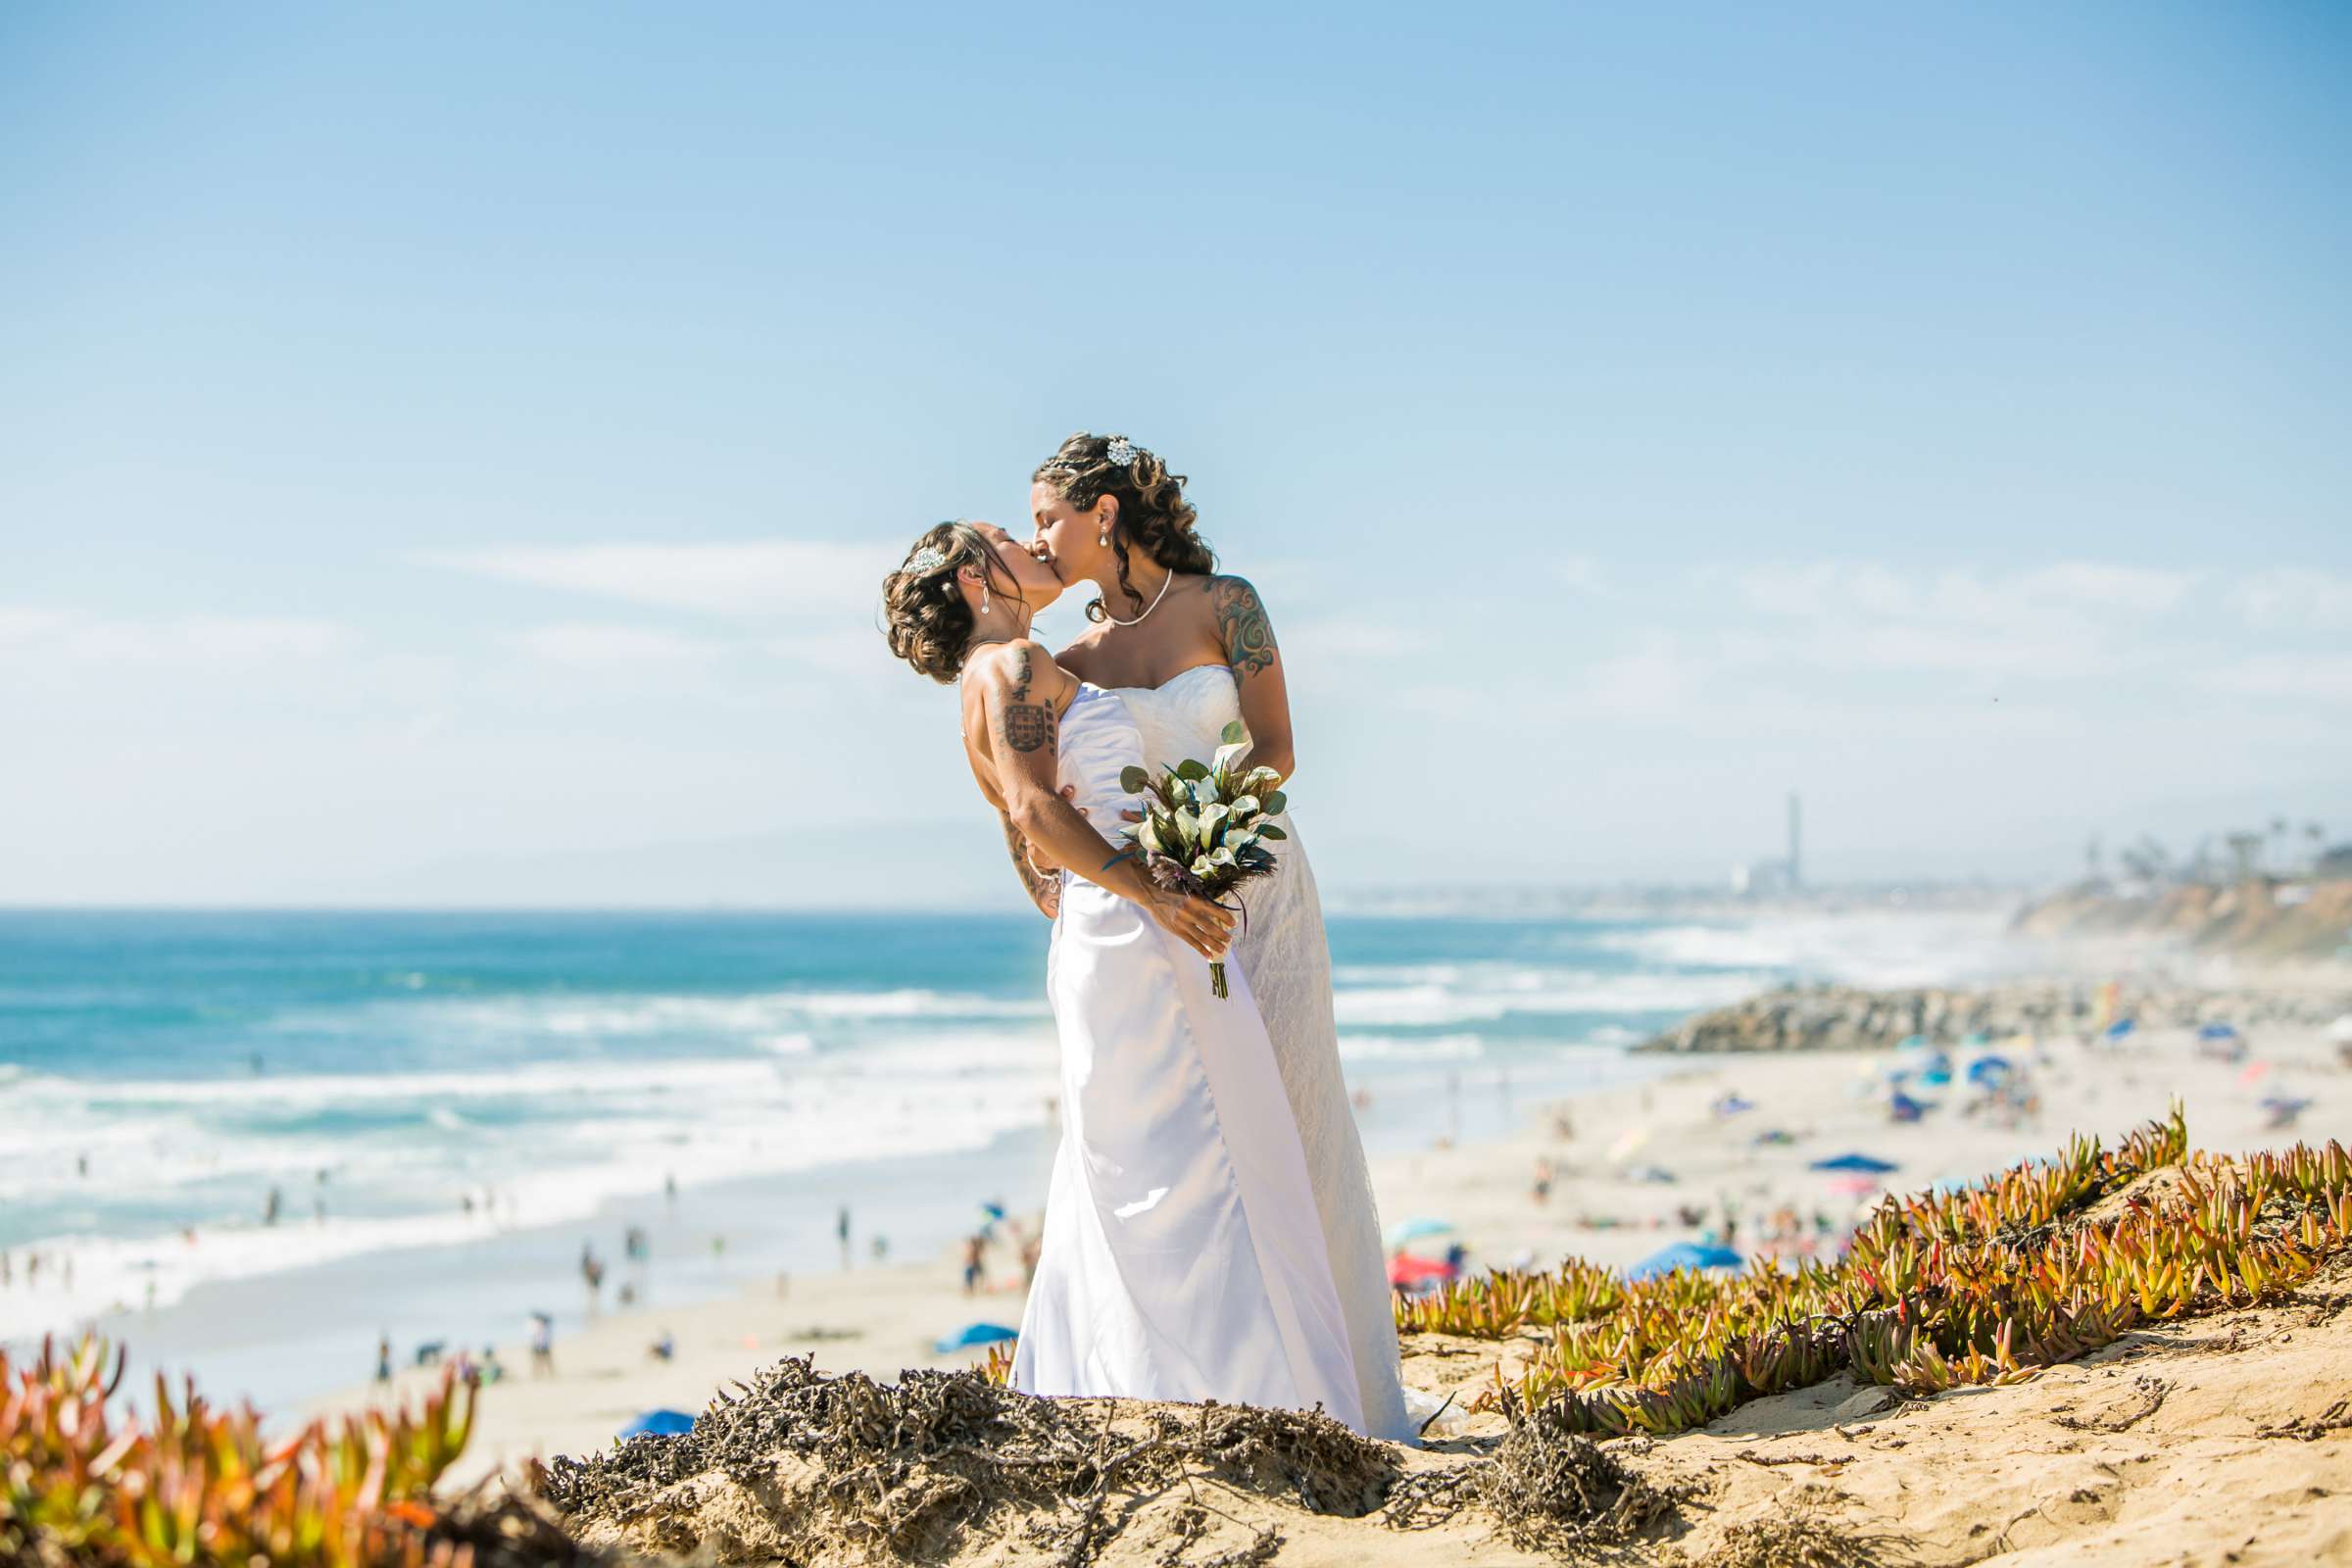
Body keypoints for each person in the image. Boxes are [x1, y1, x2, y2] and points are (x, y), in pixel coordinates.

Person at [881, 514, 1375, 1437]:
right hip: (1136, 929)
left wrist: (1081, 889)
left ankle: (1165, 1382)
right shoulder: (1019, 665)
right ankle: (1258, 1395)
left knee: (1149, 1164)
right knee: (1206, 1155)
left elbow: (1021, 826)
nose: (1028, 546)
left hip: (1105, 928)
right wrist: (1152, 892)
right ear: (970, 582)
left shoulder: (987, 681)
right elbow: (1032, 805)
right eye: (1004, 538)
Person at [1021, 434, 1412, 1442]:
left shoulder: (1224, 602)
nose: (1040, 542)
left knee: (1297, 1108)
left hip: (1257, 885)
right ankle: (1214, 1369)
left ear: (1103, 514)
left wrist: (1213, 837)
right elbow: (1048, 810)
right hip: (1158, 915)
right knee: (1194, 1135)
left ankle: (1351, 1393)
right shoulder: (1067, 663)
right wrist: (1106, 877)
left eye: (1048, 521)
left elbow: (1277, 748)